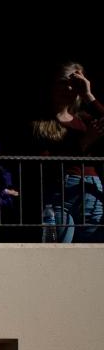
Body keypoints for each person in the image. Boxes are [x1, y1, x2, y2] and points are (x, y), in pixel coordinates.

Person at [31, 62, 104, 243]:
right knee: (60, 251)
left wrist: (88, 95)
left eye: (74, 84)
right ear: (52, 86)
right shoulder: (40, 123)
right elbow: (46, 162)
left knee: (93, 252)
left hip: (90, 188)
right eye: (63, 82)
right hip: (60, 192)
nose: (68, 88)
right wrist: (85, 142)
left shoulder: (85, 119)